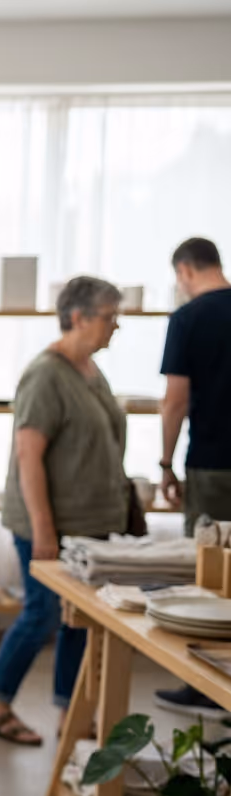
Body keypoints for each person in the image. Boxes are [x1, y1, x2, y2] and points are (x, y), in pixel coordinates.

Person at [0, 277, 128, 746]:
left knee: (78, 622)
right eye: (110, 316)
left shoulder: (89, 368)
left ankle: (70, 714)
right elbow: (29, 456)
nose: (116, 326)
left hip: (92, 525)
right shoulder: (46, 373)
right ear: (79, 317)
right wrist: (44, 531)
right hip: (51, 526)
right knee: (42, 614)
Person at [153, 237, 231, 719]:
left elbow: (175, 400)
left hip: (212, 463)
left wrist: (165, 463)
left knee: (209, 576)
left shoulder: (188, 319)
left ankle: (204, 685)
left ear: (184, 271)